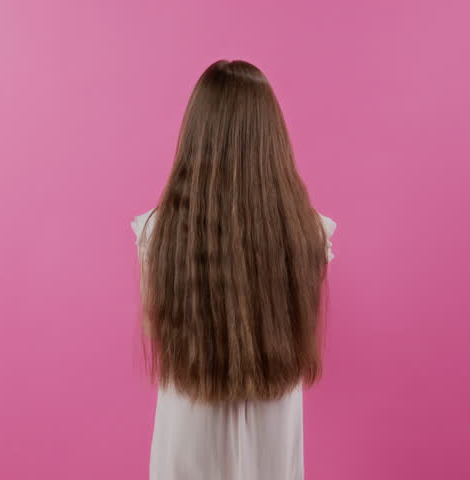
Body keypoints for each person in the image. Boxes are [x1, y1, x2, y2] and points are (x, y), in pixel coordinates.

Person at [130, 59, 337, 480]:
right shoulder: (310, 232)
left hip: (189, 436)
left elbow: (156, 329)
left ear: (195, 138)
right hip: (273, 439)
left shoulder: (158, 232)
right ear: (271, 138)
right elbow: (299, 322)